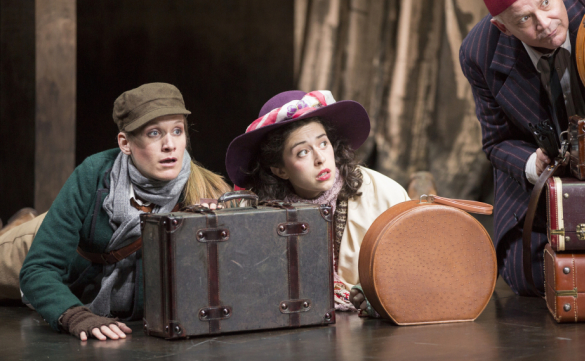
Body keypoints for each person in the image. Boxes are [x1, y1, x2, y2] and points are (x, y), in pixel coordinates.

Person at [460, 0, 585, 295]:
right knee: (527, 272)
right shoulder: (478, 52)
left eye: (547, 3)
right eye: (524, 19)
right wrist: (534, 163)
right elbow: (496, 141)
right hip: (548, 186)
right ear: (503, 27)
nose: (544, 23)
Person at [16, 83, 230, 340]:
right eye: (154, 133)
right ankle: (19, 221)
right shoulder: (94, 174)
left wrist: (201, 230)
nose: (170, 145)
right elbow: (37, 268)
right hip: (34, 244)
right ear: (125, 143)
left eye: (177, 130)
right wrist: (74, 315)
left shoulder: (207, 190)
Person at [225, 90, 410, 311]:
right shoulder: (257, 214)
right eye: (302, 152)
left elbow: (416, 263)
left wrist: (381, 291)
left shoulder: (384, 194)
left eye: (323, 143)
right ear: (280, 170)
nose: (320, 158)